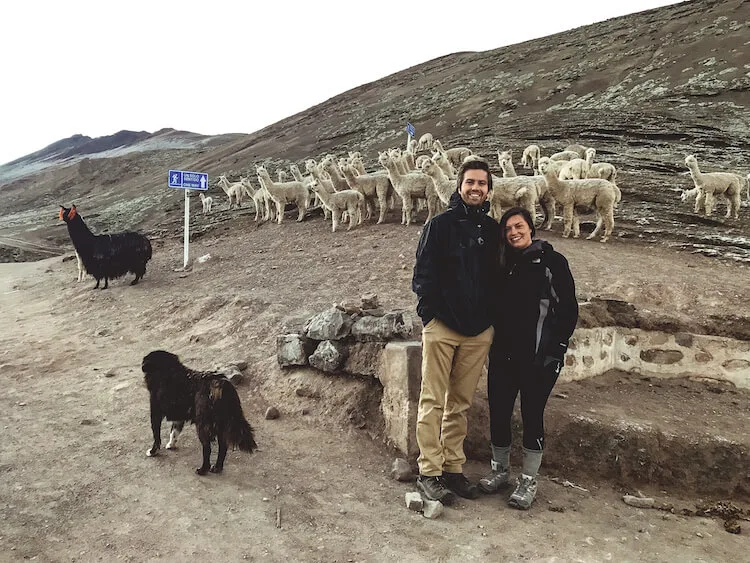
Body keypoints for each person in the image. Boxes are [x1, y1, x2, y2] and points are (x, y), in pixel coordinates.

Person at [411, 159, 499, 505]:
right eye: (470, 183)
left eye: (482, 184)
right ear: (459, 186)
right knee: (433, 400)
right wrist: (430, 317)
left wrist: (490, 320)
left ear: (488, 190)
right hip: (443, 327)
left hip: (478, 332)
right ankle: (429, 471)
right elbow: (423, 275)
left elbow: (499, 279)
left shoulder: (492, 231)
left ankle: (452, 468)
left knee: (460, 404)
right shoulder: (440, 225)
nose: (476, 188)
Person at [479, 206, 578, 510]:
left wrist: (556, 349)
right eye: (508, 229)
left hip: (539, 358)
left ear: (530, 228)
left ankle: (528, 480)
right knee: (498, 410)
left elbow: (568, 310)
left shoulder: (552, 262)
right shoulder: (502, 263)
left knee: (532, 414)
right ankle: (500, 471)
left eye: (519, 226)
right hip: (503, 355)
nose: (514, 233)